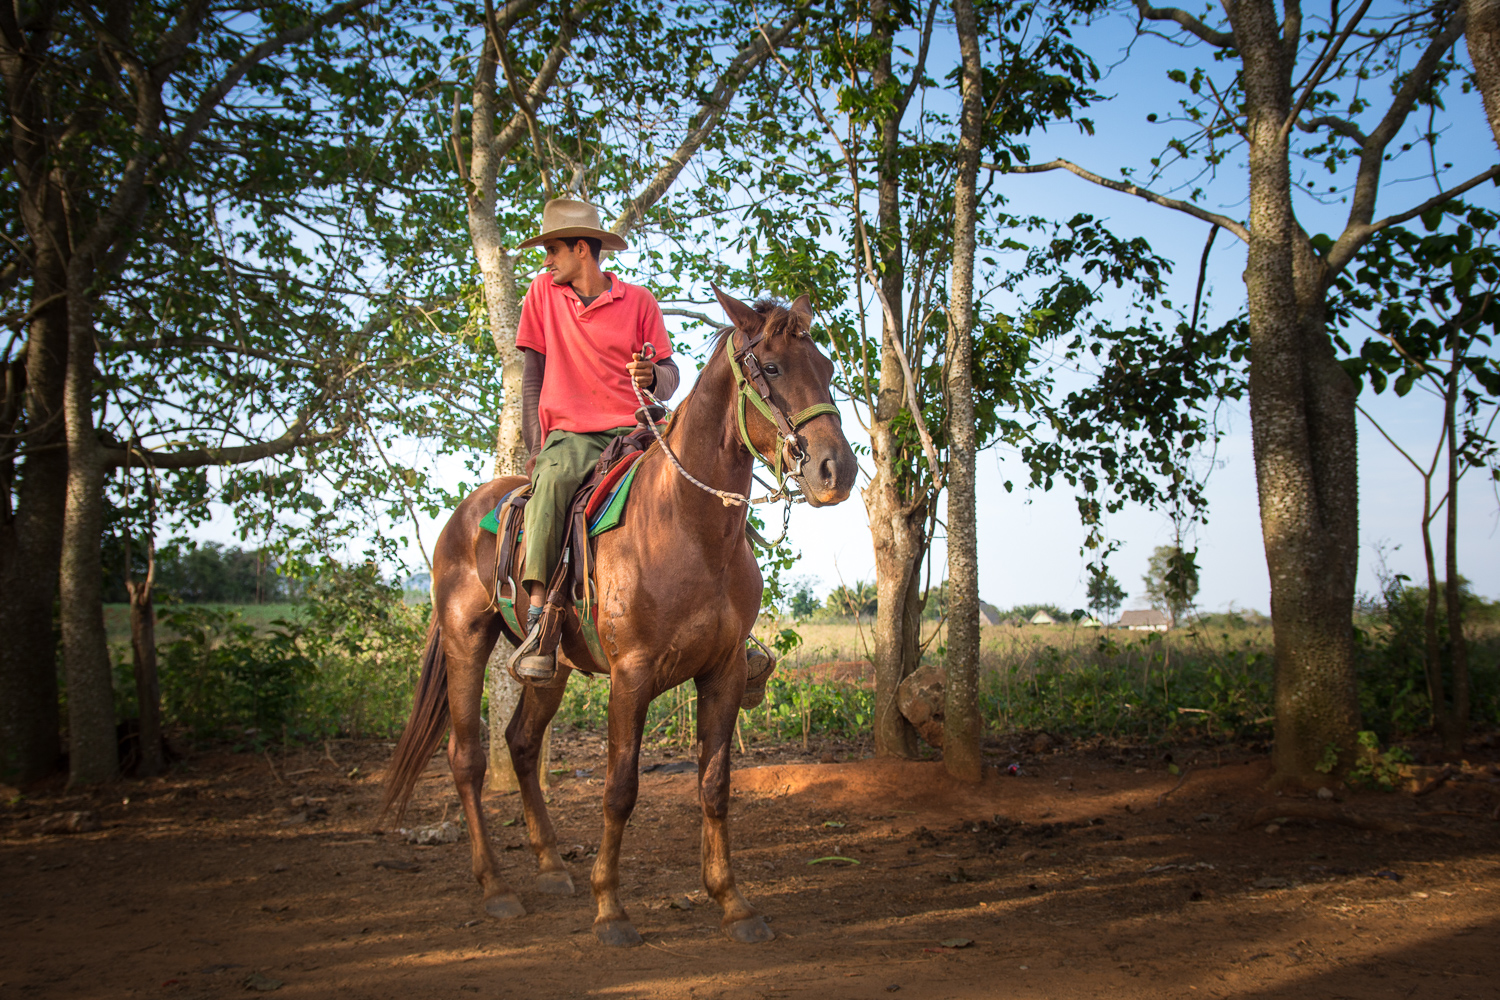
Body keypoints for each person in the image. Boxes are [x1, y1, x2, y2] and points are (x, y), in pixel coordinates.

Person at [507, 199, 679, 684]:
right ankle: (540, 619)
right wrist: (536, 447)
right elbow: (531, 378)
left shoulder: (640, 302)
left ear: (583, 249)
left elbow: (669, 376)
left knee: (696, 476)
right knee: (554, 484)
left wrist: (652, 376)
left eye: (553, 249)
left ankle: (735, 621)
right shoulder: (542, 294)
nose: (546, 259)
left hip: (636, 430)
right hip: (571, 434)